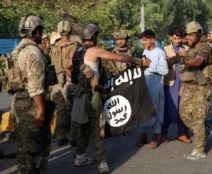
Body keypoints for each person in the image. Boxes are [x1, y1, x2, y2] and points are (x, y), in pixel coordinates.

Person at [64, 23, 150, 173]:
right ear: (94, 36)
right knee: (98, 129)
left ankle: (80, 157)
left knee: (83, 128)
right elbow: (118, 57)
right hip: (92, 96)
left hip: (78, 95)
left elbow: (67, 66)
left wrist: (78, 80)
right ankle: (102, 162)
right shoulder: (94, 50)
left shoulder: (77, 51)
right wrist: (138, 61)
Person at [11, 14, 52, 173]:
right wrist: (41, 109)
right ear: (35, 31)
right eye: (40, 30)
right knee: (37, 148)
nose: (41, 34)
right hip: (31, 105)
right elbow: (35, 86)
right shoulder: (33, 53)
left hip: (18, 102)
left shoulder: (17, 50)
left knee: (22, 147)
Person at [177, 21, 212, 160]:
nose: (188, 38)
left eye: (191, 35)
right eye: (187, 35)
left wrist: (182, 58)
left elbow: (198, 61)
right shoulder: (190, 49)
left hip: (202, 87)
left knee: (199, 118)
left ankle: (199, 150)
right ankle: (204, 132)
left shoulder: (205, 47)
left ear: (198, 34)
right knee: (184, 114)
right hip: (188, 87)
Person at [136, 30, 168, 148]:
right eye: (142, 40)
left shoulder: (160, 52)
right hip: (145, 86)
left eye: (145, 40)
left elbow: (165, 70)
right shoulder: (145, 51)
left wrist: (150, 65)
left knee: (156, 111)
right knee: (144, 110)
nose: (143, 42)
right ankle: (143, 136)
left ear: (152, 40)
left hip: (156, 87)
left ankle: (155, 137)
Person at [50, 20, 77, 146]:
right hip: (69, 82)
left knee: (60, 110)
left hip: (56, 83)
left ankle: (61, 137)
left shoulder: (54, 47)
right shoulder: (73, 46)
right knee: (71, 109)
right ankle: (72, 137)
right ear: (70, 30)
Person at [161, 26, 191, 143]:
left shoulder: (187, 49)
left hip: (184, 82)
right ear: (170, 38)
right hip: (170, 83)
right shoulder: (165, 49)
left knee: (183, 108)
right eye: (175, 38)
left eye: (179, 38)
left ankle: (182, 133)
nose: (177, 41)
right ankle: (164, 133)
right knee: (168, 108)